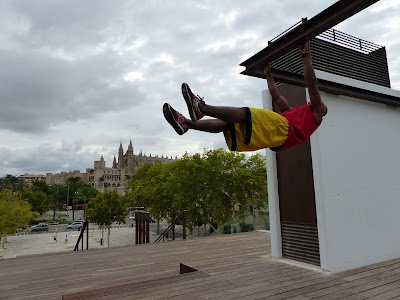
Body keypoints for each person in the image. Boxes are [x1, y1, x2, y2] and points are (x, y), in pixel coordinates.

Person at [163, 42, 327, 152]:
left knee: (246, 114)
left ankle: (201, 108)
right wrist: (269, 75)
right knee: (229, 124)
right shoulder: (295, 116)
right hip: (274, 139)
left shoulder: (319, 112)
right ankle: (187, 124)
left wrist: (305, 55)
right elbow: (276, 96)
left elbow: (311, 84)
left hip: (282, 131)